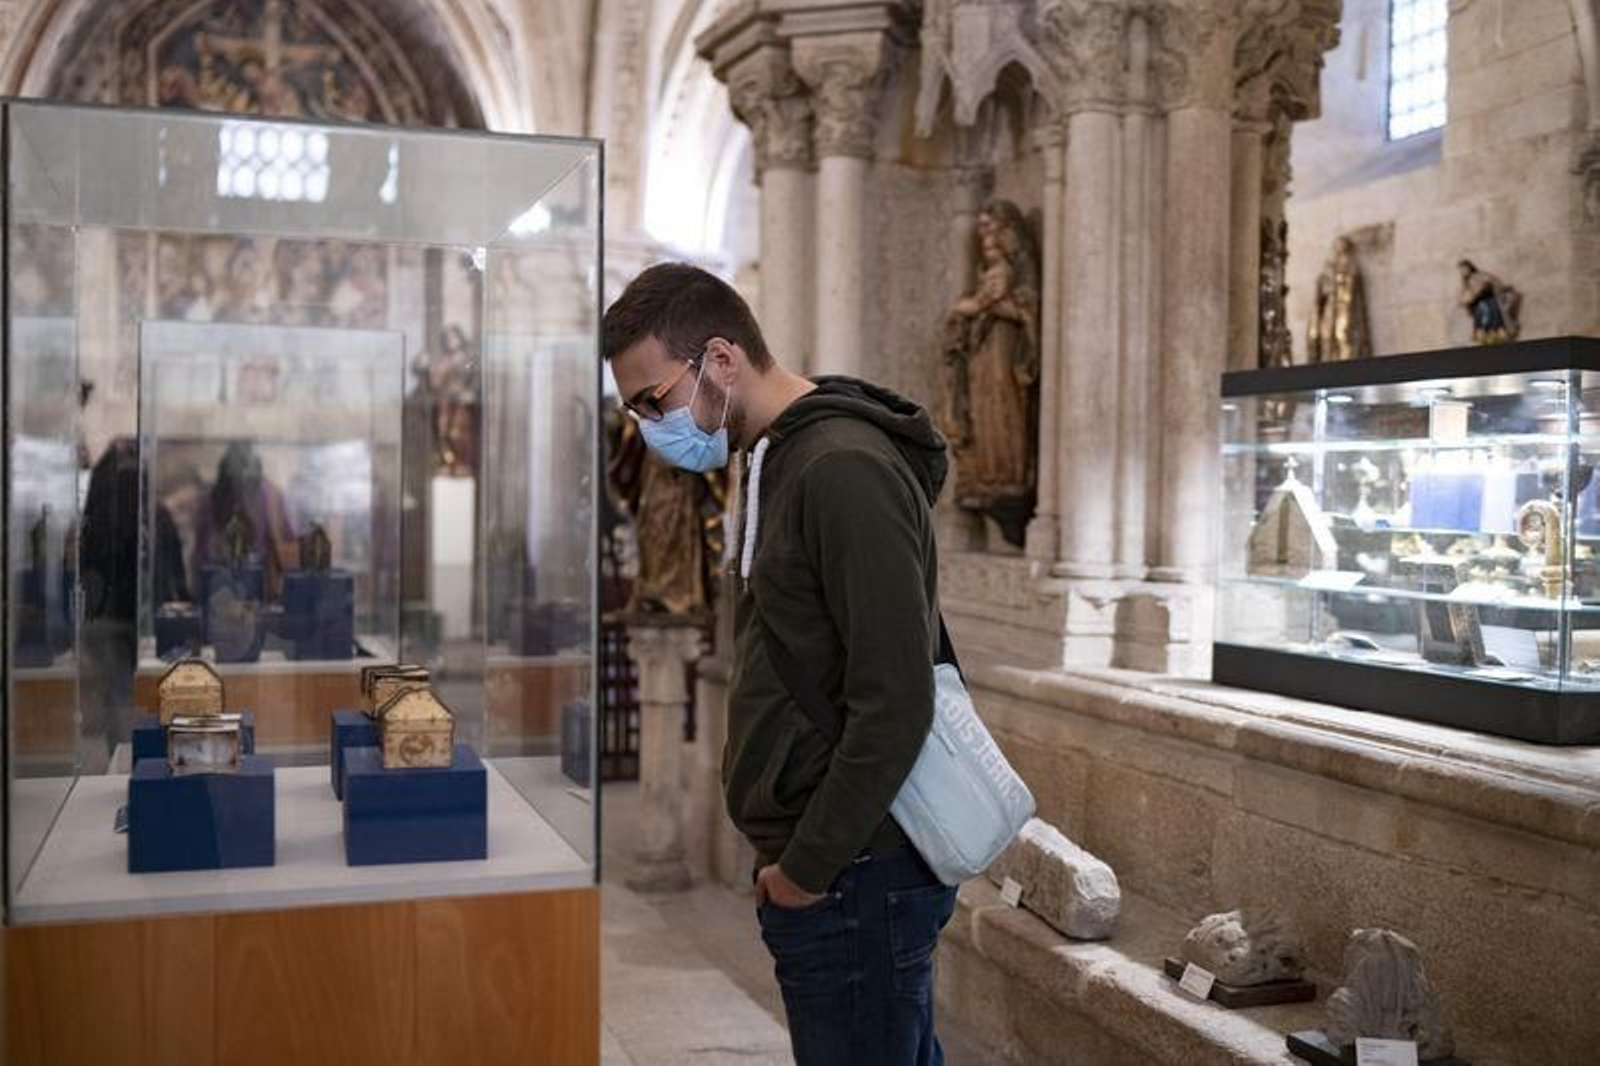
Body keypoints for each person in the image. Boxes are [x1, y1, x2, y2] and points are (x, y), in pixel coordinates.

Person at [604, 262, 957, 1066]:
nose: (648, 428)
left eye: (653, 401)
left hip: (857, 871)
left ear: (720, 362)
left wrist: (805, 869)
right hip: (834, 866)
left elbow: (896, 700)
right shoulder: (773, 459)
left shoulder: (842, 468)